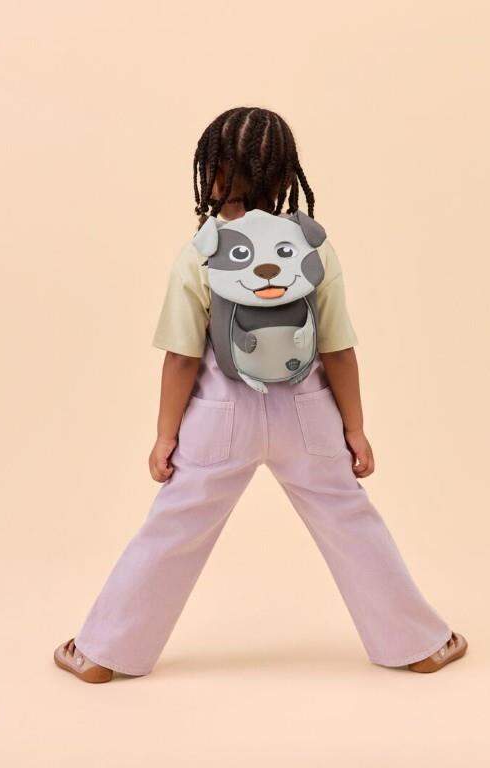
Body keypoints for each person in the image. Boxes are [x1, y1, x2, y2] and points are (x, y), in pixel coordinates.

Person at [55, 107, 466, 683]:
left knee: (174, 528)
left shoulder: (201, 250)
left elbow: (181, 357)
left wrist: (166, 435)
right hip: (307, 412)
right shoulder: (312, 246)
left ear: (212, 174)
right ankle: (419, 644)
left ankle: (103, 653)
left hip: (219, 417)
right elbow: (338, 350)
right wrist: (354, 428)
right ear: (285, 174)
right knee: (349, 521)